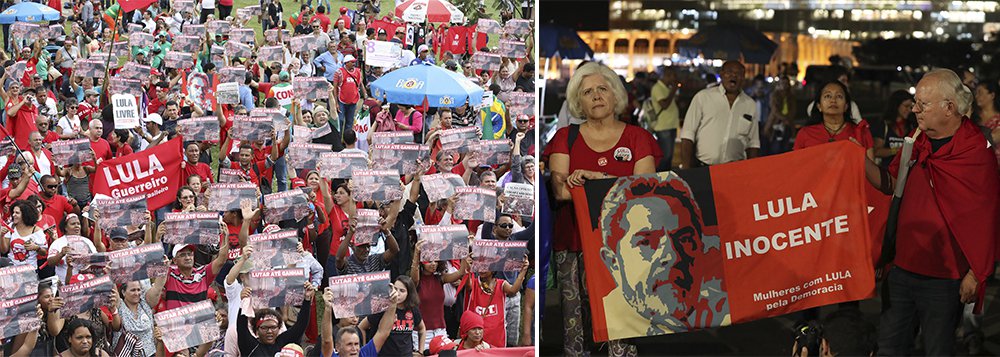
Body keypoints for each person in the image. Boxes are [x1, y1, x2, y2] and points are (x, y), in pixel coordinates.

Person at [864, 69, 1000, 355]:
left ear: (949, 107)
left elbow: (988, 218)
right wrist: (857, 161)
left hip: (945, 278)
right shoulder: (916, 142)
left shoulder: (976, 152)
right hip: (901, 270)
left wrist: (976, 273)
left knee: (937, 350)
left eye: (922, 104)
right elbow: (890, 183)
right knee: (889, 348)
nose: (914, 109)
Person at [543, 61, 660, 356]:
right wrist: (616, 186)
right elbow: (561, 191)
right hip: (573, 243)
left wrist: (596, 180)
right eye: (587, 91)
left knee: (622, 331)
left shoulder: (639, 138)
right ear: (577, 101)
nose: (596, 96)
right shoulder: (564, 137)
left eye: (602, 89)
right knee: (576, 331)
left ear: (615, 95)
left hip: (625, 248)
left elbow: (643, 193)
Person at [598, 172, 728, 338]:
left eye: (685, 239)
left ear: (701, 246)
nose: (671, 255)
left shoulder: (724, 309)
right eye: (646, 243)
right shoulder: (606, 320)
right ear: (613, 262)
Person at [679, 60, 760, 168]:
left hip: (734, 170)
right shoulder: (703, 97)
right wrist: (686, 168)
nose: (734, 76)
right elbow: (688, 135)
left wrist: (751, 172)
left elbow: (753, 143)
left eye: (738, 74)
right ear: (721, 75)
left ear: (743, 78)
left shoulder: (750, 105)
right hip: (703, 168)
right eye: (729, 72)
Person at [792, 80, 874, 157]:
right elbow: (796, 167)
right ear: (819, 106)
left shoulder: (861, 132)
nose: (833, 100)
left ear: (846, 106)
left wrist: (859, 155)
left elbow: (873, 171)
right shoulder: (805, 133)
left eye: (839, 96)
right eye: (828, 96)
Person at [320, 285, 402, 357]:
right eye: (349, 344)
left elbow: (383, 332)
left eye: (356, 344)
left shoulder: (364, 354)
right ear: (337, 347)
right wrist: (328, 308)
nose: (354, 349)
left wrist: (393, 304)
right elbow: (326, 341)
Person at [358, 276, 426, 356]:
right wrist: (365, 350)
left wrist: (420, 352)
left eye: (402, 291)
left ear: (409, 293)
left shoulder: (413, 309)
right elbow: (361, 327)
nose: (397, 293)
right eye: (395, 289)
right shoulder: (383, 308)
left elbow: (422, 329)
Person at [870, 90, 915, 169]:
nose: (909, 110)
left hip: (905, 173)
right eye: (906, 106)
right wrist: (897, 150)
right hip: (885, 172)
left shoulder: (911, 126)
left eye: (911, 107)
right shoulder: (884, 126)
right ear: (896, 105)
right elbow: (876, 151)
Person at [648, 67, 680, 171]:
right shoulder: (658, 88)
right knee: (665, 156)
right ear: (668, 75)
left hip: (671, 125)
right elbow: (664, 105)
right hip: (663, 126)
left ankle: (666, 178)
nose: (675, 79)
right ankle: (659, 178)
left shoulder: (666, 87)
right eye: (674, 76)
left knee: (669, 156)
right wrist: (673, 91)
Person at [973, 81, 1000, 167]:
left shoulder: (998, 120)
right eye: (976, 93)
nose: (976, 96)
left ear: (992, 95)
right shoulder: (973, 117)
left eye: (980, 93)